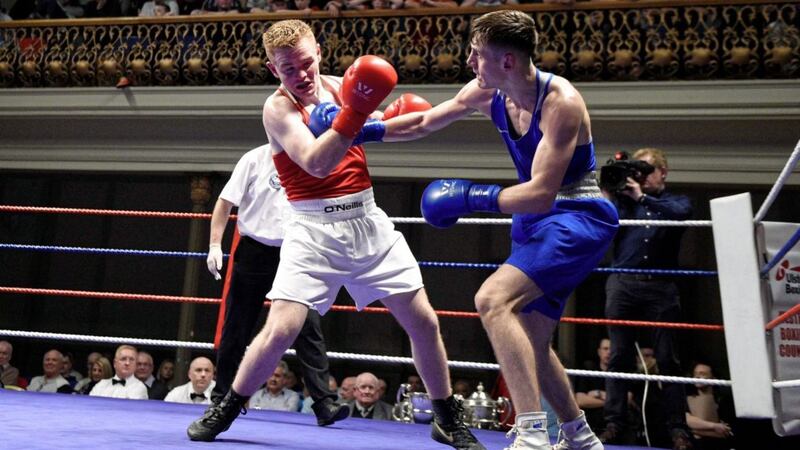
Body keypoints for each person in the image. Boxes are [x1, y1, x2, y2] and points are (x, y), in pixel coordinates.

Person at [186, 19, 483, 450]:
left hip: (366, 221)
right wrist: (355, 115)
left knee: (424, 321)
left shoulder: (346, 86)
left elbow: (407, 127)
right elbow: (315, 162)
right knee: (280, 329)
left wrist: (462, 103)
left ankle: (445, 415)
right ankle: (229, 405)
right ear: (274, 71)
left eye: (306, 63)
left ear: (319, 53)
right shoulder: (278, 109)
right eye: (289, 69)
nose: (301, 75)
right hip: (310, 228)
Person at [343, 9, 617, 450]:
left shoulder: (560, 103)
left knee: (492, 300)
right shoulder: (486, 90)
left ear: (507, 61)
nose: (469, 61)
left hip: (577, 215)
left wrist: (472, 196)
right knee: (533, 339)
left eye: (477, 53)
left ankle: (531, 433)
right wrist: (358, 132)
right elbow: (424, 121)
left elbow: (542, 193)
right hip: (533, 222)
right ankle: (580, 436)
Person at [205, 142, 347, 425]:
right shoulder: (254, 158)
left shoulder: (311, 158)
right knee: (237, 327)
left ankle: (324, 404)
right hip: (255, 250)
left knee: (308, 327)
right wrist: (214, 244)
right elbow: (224, 202)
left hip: (295, 253)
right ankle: (221, 400)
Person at [600, 147, 694, 450]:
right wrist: (608, 192)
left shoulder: (674, 202)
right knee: (618, 356)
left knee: (668, 358)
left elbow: (681, 214)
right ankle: (614, 424)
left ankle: (678, 429)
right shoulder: (624, 204)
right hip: (623, 283)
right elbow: (600, 221)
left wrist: (641, 197)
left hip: (661, 287)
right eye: (636, 170)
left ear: (663, 172)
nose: (639, 176)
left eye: (646, 169)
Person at [685, 363, 733, 450]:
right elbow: (688, 422)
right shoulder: (689, 398)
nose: (697, 377)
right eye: (695, 374)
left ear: (713, 378)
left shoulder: (724, 400)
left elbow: (725, 432)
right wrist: (714, 426)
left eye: (702, 374)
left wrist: (697, 429)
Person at [574, 338, 610, 433]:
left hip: (615, 426)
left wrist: (598, 394)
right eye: (605, 349)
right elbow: (581, 400)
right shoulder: (589, 370)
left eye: (611, 349)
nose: (609, 352)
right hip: (592, 424)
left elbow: (627, 398)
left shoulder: (621, 372)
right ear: (599, 351)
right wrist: (614, 403)